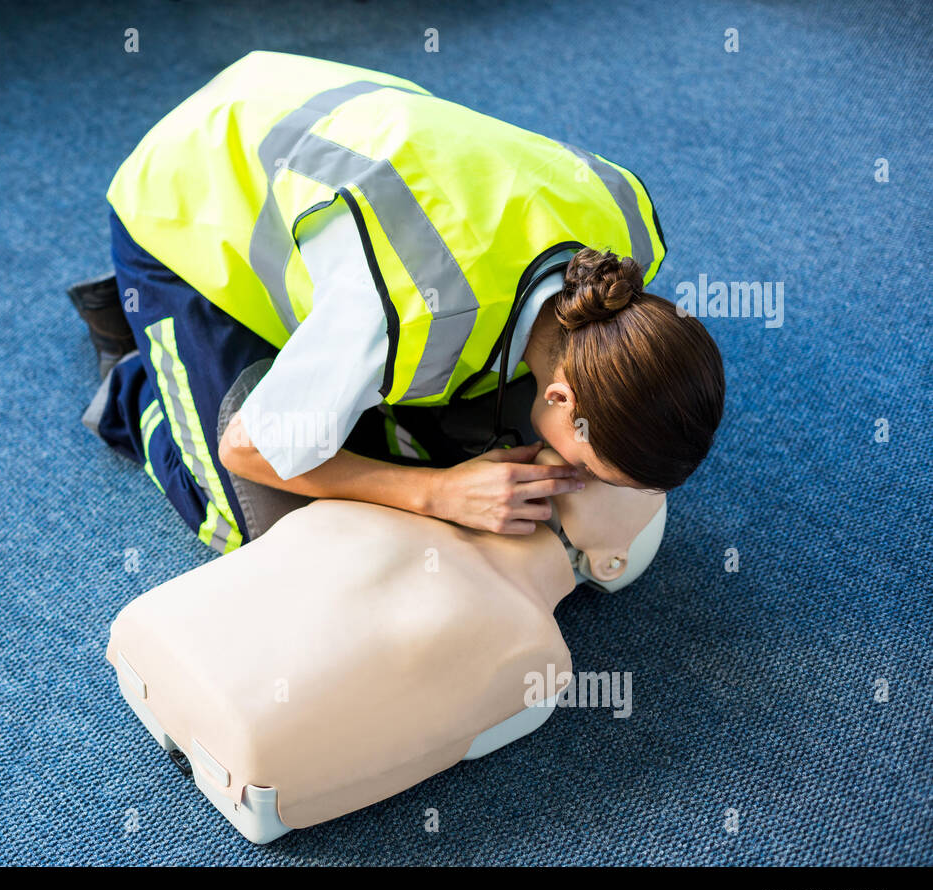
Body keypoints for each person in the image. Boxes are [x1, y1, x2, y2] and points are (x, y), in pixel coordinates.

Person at [72, 51, 724, 553]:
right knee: (260, 519)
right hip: (188, 198)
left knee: (456, 435)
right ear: (560, 399)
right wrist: (435, 493)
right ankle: (132, 366)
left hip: (297, 91)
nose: (577, 476)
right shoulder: (402, 311)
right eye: (586, 462)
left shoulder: (627, 230)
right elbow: (251, 450)